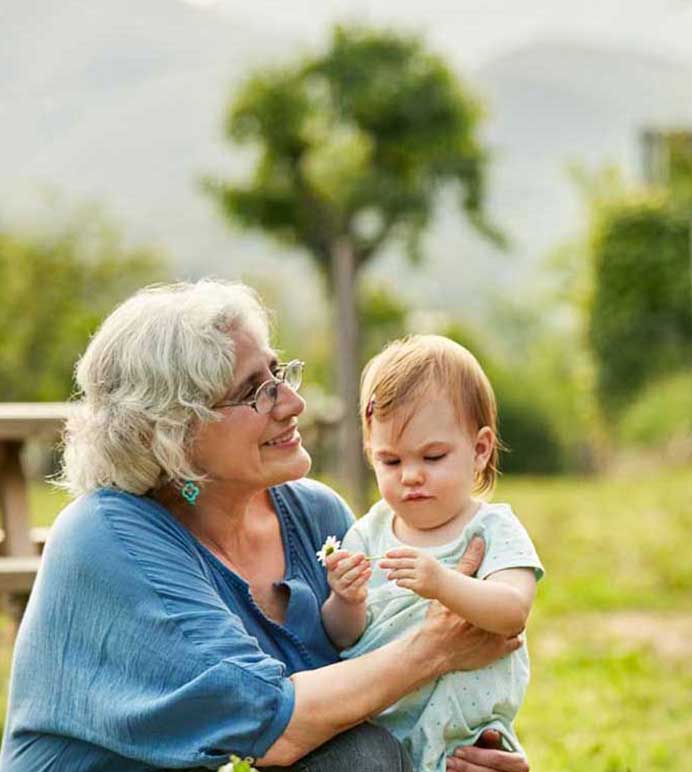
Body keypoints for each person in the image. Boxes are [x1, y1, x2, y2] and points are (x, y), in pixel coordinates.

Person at [2, 280, 530, 772]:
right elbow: (277, 724)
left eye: (280, 375)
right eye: (257, 391)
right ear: (173, 431)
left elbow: (372, 689)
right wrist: (439, 645)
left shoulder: (316, 516)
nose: (294, 403)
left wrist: (465, 749)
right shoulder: (106, 537)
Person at [320, 335, 542, 771]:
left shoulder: (492, 529)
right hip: (384, 731)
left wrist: (442, 583)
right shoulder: (368, 532)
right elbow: (344, 636)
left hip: (466, 736)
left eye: (433, 456)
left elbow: (512, 610)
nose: (412, 476)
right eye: (391, 462)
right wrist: (345, 599)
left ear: (479, 450)